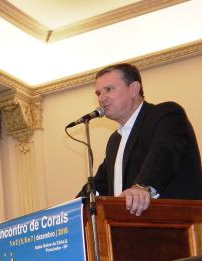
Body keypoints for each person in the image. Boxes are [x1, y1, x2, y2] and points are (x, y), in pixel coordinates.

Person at [84, 63, 202, 215]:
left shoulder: (165, 114)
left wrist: (142, 187)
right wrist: (71, 209)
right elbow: (100, 183)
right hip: (130, 230)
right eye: (98, 93)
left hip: (177, 224)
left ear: (134, 89)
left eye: (109, 89)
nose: (102, 98)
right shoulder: (115, 140)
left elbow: (164, 155)